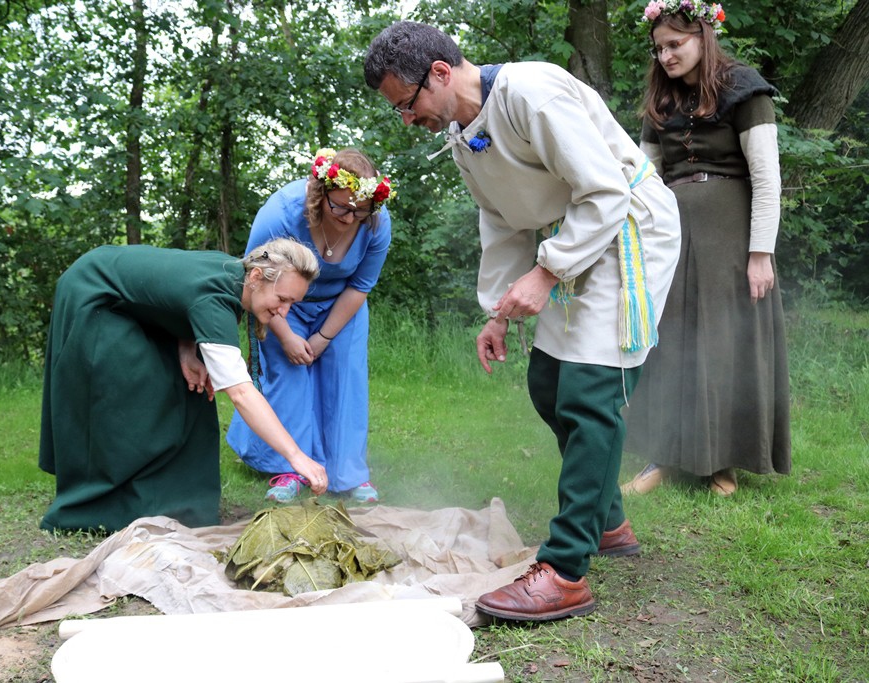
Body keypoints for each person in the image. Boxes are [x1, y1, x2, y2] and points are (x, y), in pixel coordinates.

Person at [364, 21, 682, 622]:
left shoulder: (530, 93)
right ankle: (607, 518)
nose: (407, 120)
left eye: (407, 105)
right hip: (573, 238)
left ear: (438, 72)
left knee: (590, 392)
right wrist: (497, 312)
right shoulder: (462, 135)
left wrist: (547, 272)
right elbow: (503, 222)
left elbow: (607, 191)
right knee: (548, 383)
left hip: (626, 226)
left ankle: (565, 571)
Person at [38, 239, 329, 533]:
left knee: (191, 392)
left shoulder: (234, 276)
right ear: (256, 277)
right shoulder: (217, 296)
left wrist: (187, 347)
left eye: (293, 302)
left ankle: (180, 503)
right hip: (94, 294)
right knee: (140, 386)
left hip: (126, 302)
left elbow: (175, 297)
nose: (285, 312)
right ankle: (102, 505)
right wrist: (296, 457)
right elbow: (241, 393)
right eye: (282, 298)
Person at [621, 0, 791, 497]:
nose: (667, 56)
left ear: (703, 35)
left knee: (723, 340)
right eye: (659, 49)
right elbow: (641, 177)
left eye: (676, 44)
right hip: (669, 231)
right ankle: (664, 456)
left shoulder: (745, 88)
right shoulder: (659, 100)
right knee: (667, 338)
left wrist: (760, 253)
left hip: (730, 233)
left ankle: (722, 461)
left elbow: (766, 176)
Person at [227, 148, 394, 504]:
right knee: (290, 380)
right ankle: (289, 470)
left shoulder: (377, 223)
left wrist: (323, 337)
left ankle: (347, 474)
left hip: (341, 307)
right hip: (280, 302)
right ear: (321, 194)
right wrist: (286, 336)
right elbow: (256, 279)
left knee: (345, 380)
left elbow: (360, 286)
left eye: (360, 210)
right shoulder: (281, 213)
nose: (351, 218)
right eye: (341, 208)